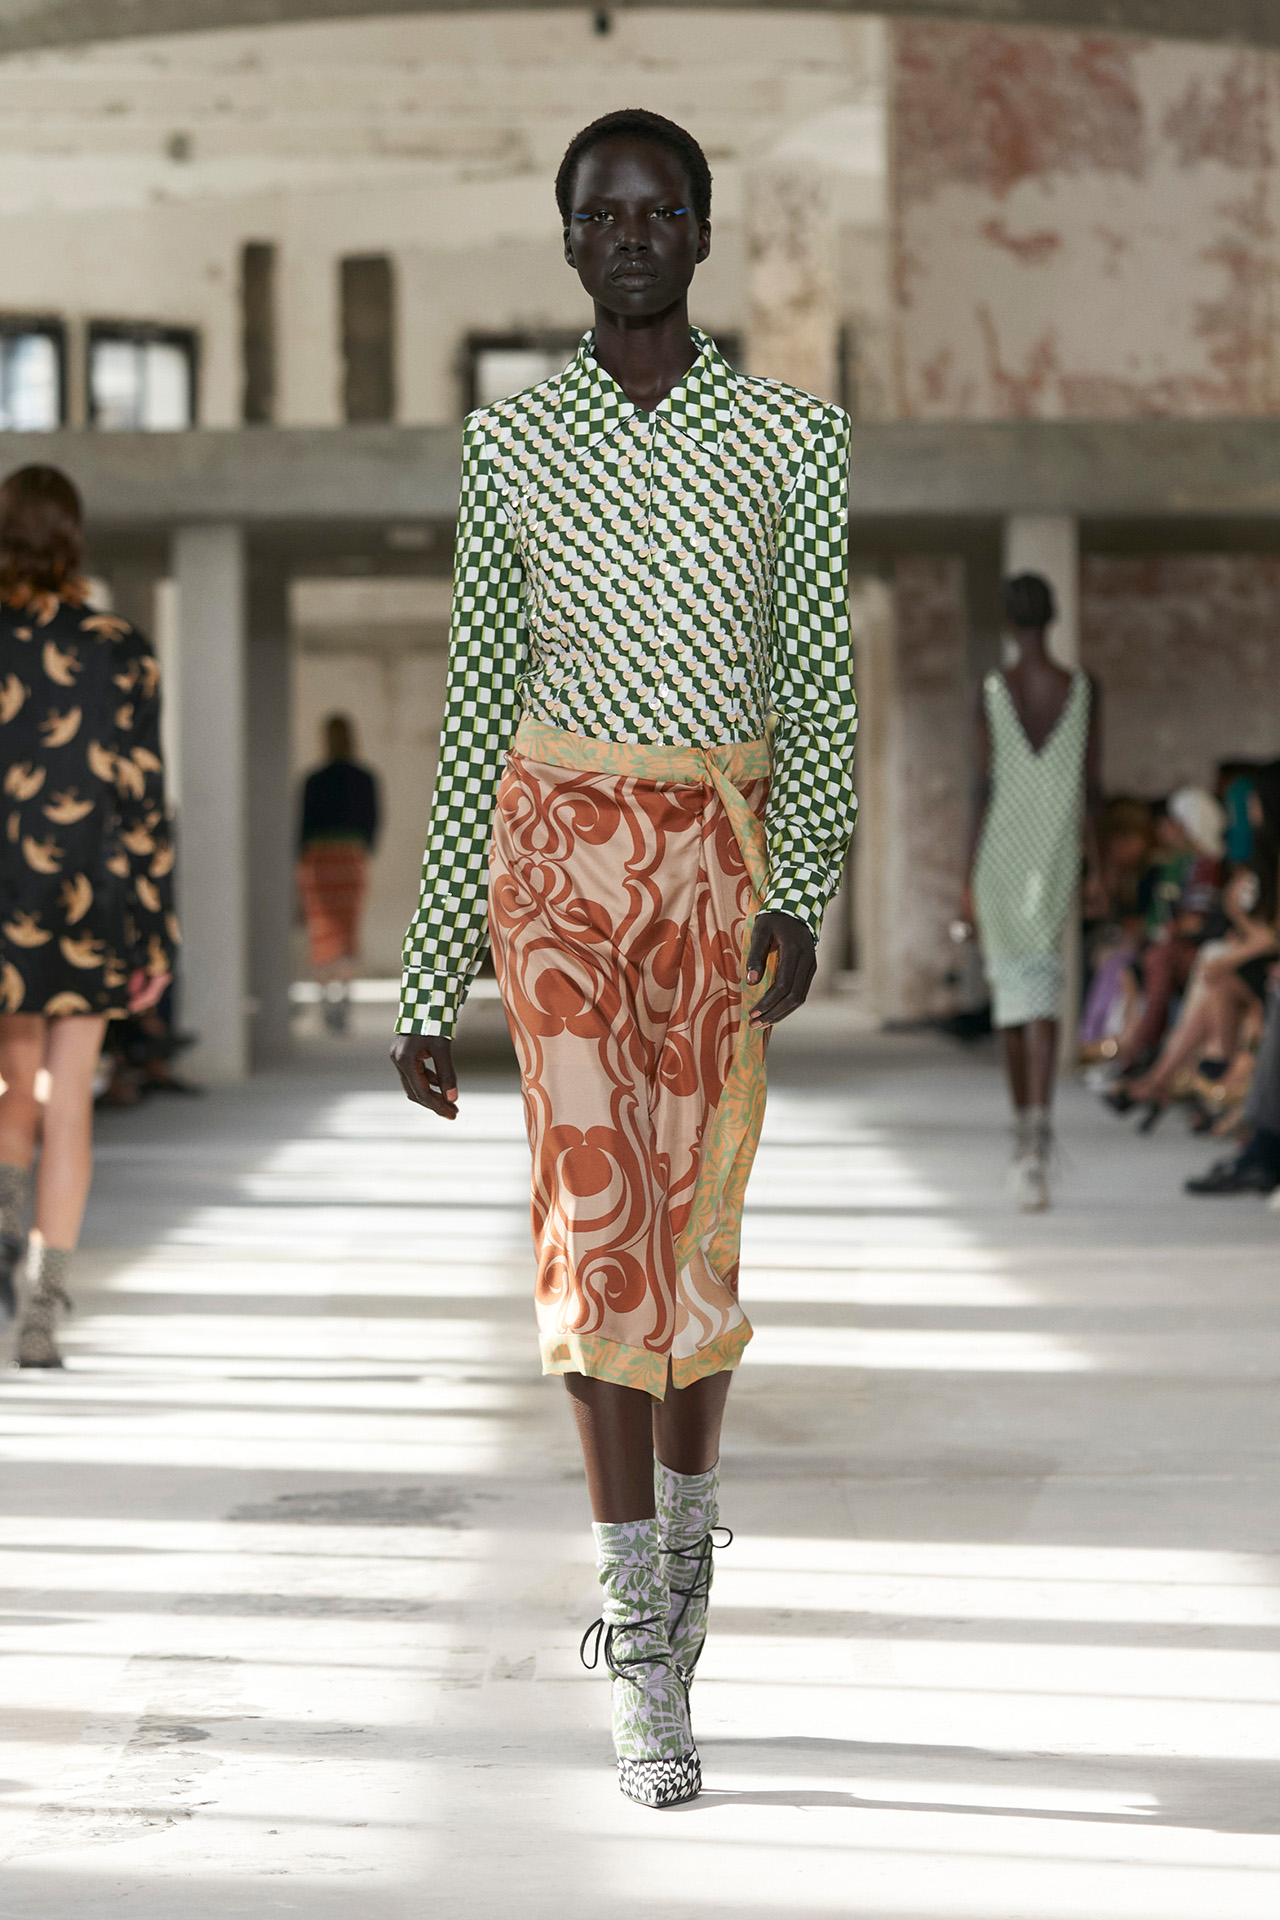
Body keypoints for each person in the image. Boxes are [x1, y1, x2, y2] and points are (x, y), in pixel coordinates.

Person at [390, 109, 855, 1806]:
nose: (636, 233)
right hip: (559, 870)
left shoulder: (795, 440)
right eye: (606, 212)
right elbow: (473, 704)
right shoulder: (508, 444)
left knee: (694, 1237)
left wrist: (801, 888)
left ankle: (689, 1530)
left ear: (704, 234)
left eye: (664, 209)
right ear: (571, 239)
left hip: (719, 868)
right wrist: (430, 967)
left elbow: (819, 684)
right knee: (595, 1235)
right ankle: (638, 1632)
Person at [0, 465, 176, 1364]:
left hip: (4, 897)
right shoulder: (119, 648)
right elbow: (143, 802)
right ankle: (44, 1304)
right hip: (89, 902)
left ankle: (5, 1233)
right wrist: (157, 934)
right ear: (73, 537)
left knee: (11, 1087)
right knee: (69, 1098)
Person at [960, 572, 1103, 1211]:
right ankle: (1037, 1137)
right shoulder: (1083, 689)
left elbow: (981, 787)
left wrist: (965, 880)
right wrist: (1099, 869)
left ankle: (1026, 1138)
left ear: (1008, 620)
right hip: (1053, 853)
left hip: (999, 856)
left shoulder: (993, 688)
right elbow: (1092, 788)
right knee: (1039, 990)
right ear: (1054, 614)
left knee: (1014, 998)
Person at [297, 713, 380, 1032]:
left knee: (325, 929)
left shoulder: (315, 779)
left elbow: (303, 828)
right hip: (347, 858)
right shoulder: (363, 778)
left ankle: (329, 997)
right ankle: (340, 996)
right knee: (343, 930)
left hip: (322, 860)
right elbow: (372, 823)